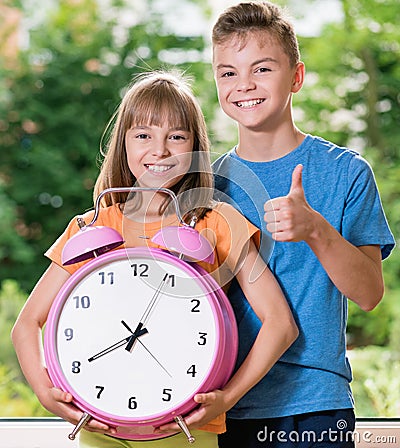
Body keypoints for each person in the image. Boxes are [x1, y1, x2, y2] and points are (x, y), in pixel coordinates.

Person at [11, 71, 298, 448]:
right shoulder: (92, 224)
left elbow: (281, 324)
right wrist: (48, 394)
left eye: (176, 137)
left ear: (195, 145)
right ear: (124, 143)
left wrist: (228, 398)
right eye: (143, 135)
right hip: (101, 426)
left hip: (184, 428)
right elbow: (26, 324)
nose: (159, 150)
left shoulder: (219, 223)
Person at [210, 2, 396, 447]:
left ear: (296, 76)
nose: (244, 85)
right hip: (224, 404)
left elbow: (369, 293)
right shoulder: (205, 185)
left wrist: (316, 229)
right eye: (228, 72)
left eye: (262, 68)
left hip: (315, 406)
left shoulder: (346, 172)